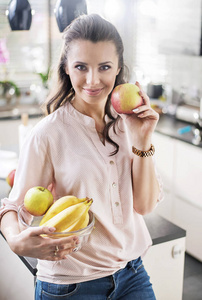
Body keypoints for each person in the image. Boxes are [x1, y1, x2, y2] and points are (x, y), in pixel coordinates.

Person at [0, 14, 163, 300]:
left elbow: (145, 204)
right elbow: (14, 207)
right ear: (66, 67)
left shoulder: (131, 122)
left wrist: (142, 139)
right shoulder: (48, 134)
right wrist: (16, 242)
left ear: (118, 69)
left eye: (104, 67)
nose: (92, 80)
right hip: (70, 286)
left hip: (132, 275)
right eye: (80, 67)